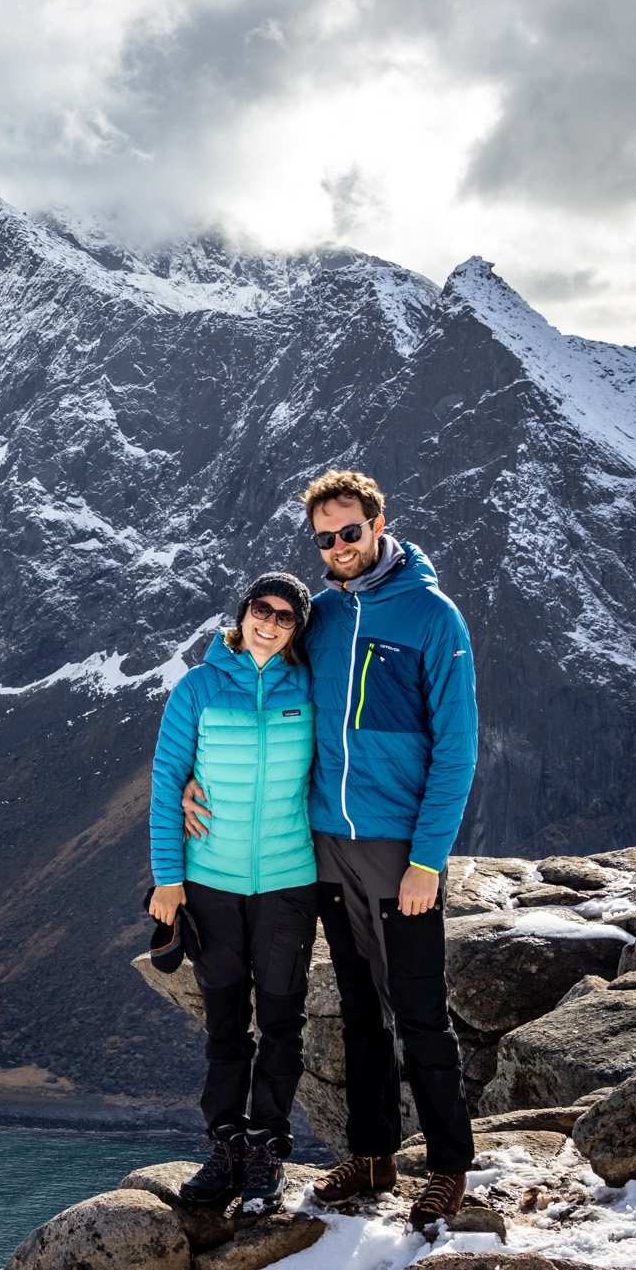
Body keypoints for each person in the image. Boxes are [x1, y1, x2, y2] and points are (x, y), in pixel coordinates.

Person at [184, 470, 479, 1231]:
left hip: (395, 846)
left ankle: (449, 1167)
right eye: (326, 538)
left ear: (380, 523)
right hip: (324, 844)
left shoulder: (432, 617)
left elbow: (457, 747)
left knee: (417, 1006)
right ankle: (374, 1154)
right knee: (357, 1009)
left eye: (351, 532)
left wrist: (428, 858)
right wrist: (192, 782)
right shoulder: (320, 619)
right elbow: (254, 692)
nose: (340, 548)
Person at [148, 572, 320, 1206]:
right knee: (225, 1025)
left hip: (289, 884)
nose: (269, 623)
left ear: (299, 628)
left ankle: (267, 1151)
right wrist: (168, 881)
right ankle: (224, 1145)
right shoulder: (197, 687)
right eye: (260, 609)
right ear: (243, 612)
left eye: (284, 616)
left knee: (281, 1020)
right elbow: (169, 784)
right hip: (210, 885)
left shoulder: (311, 686)